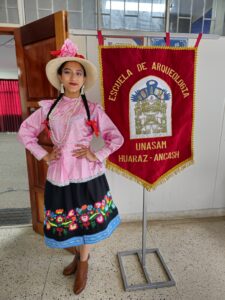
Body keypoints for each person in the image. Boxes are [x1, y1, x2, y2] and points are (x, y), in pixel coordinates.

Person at [17, 39, 124, 295]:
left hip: (87, 175)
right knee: (71, 221)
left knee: (87, 220)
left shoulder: (92, 109)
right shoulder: (48, 109)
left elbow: (116, 138)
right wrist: (43, 154)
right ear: (60, 77)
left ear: (84, 78)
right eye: (68, 71)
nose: (73, 77)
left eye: (78, 72)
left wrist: (95, 154)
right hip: (60, 175)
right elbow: (25, 132)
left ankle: (84, 264)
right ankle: (77, 257)